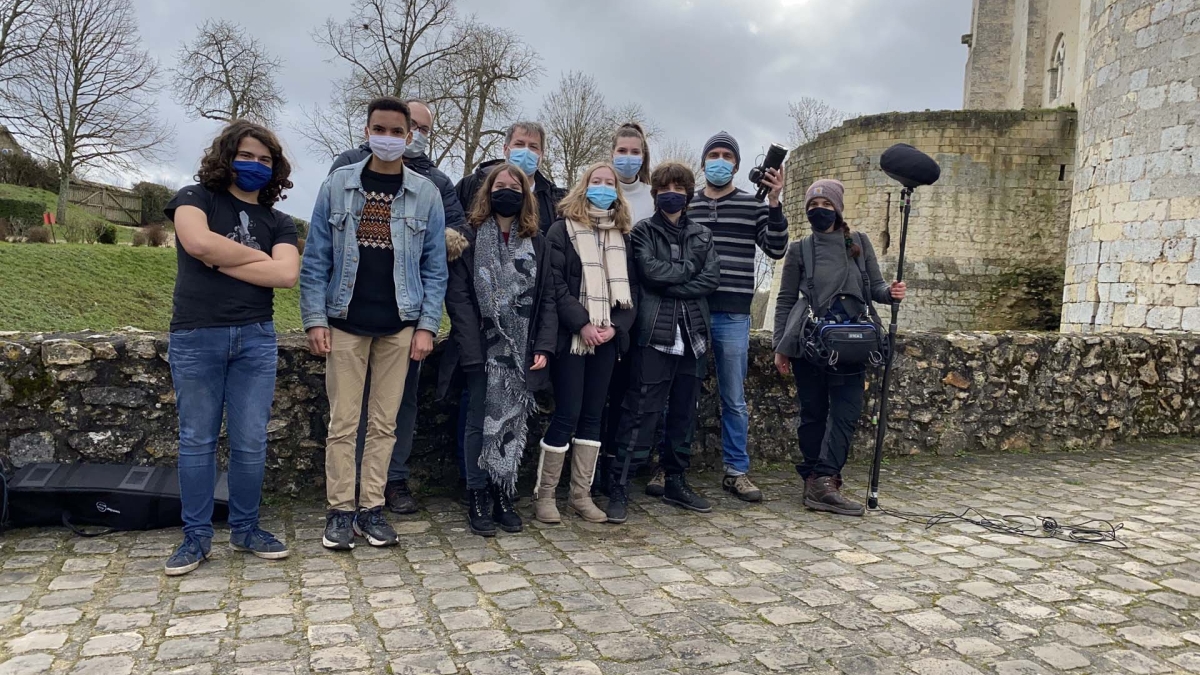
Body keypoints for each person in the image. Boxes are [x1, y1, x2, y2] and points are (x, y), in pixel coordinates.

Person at [300, 96, 447, 551]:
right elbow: (316, 256)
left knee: (385, 424)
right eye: (379, 129)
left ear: (410, 137)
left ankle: (371, 509)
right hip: (345, 321)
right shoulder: (338, 184)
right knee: (343, 423)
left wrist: (426, 326)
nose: (388, 138)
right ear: (367, 131)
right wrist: (314, 319)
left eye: (397, 131)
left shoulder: (426, 192)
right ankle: (340, 511)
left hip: (399, 325)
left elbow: (434, 267)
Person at [163, 120, 300, 576]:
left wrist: (219, 260)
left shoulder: (279, 221)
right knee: (197, 440)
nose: (255, 165)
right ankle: (196, 537)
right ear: (226, 157)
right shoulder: (193, 198)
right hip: (196, 333)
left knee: (250, 441)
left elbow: (285, 276)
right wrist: (257, 258)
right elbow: (197, 241)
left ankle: (245, 529)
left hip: (255, 338)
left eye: (264, 160)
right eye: (246, 156)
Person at [330, 98, 467, 515]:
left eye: (419, 129)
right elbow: (327, 235)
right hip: (351, 310)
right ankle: (348, 491)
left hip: (405, 312)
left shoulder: (436, 184)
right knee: (347, 410)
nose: (400, 138)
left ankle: (393, 481)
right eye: (384, 130)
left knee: (398, 405)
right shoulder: (346, 167)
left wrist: (429, 238)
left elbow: (457, 233)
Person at [772, 179, 905, 516]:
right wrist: (779, 346)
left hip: (853, 342)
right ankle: (816, 479)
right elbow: (786, 300)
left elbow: (874, 286)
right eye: (813, 205)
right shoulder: (800, 250)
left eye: (826, 205)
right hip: (811, 341)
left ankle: (825, 476)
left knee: (846, 412)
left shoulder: (858, 242)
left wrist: (890, 294)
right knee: (813, 412)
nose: (819, 210)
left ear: (838, 208)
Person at [444, 163, 557, 536]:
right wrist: (473, 350)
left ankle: (502, 492)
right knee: (479, 421)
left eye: (515, 186)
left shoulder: (537, 241)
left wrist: (543, 345)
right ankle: (477, 493)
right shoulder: (469, 237)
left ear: (526, 195)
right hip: (481, 349)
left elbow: (547, 300)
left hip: (522, 350)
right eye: (500, 185)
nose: (506, 190)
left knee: (512, 420)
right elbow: (458, 298)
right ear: (487, 192)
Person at [607, 162, 720, 524]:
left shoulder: (702, 234)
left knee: (685, 413)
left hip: (694, 336)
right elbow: (649, 273)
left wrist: (674, 280)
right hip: (655, 333)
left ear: (688, 193)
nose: (673, 192)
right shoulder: (642, 232)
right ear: (655, 193)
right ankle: (619, 484)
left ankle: (675, 480)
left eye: (679, 187)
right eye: (665, 187)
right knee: (640, 410)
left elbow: (711, 278)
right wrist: (688, 271)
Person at [680, 131, 787, 504]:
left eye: (727, 155)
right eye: (714, 154)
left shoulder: (752, 204)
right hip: (689, 308)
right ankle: (669, 466)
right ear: (704, 160)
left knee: (733, 397)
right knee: (678, 391)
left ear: (738, 166)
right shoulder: (687, 205)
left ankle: (736, 471)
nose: (720, 161)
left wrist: (774, 202)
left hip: (734, 312)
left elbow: (776, 248)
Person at [536, 162, 638, 525]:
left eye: (609, 183)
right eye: (596, 181)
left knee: (594, 416)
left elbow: (630, 292)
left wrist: (615, 328)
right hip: (572, 338)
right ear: (583, 186)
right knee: (568, 412)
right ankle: (546, 496)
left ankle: (581, 494)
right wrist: (582, 324)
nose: (603, 187)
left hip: (607, 340)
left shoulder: (622, 236)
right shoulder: (560, 231)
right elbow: (554, 286)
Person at [456, 121, 566, 233]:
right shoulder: (470, 186)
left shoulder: (555, 199)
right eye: (519, 144)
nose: (526, 151)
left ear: (541, 154)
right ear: (505, 149)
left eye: (533, 146)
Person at [612, 123, 654, 221]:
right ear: (612, 154)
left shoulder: (654, 196)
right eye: (622, 151)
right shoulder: (599, 193)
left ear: (643, 156)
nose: (628, 156)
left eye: (635, 152)